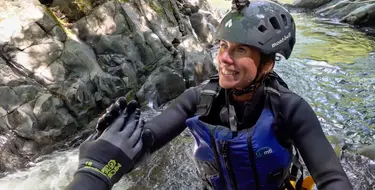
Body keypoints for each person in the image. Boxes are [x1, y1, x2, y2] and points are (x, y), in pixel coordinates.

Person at [66, 1, 353, 190]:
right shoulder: (198, 99)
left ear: (268, 64)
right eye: (223, 46)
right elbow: (147, 142)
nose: (224, 59)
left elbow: (332, 178)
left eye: (240, 50)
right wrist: (99, 163)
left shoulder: (288, 109)